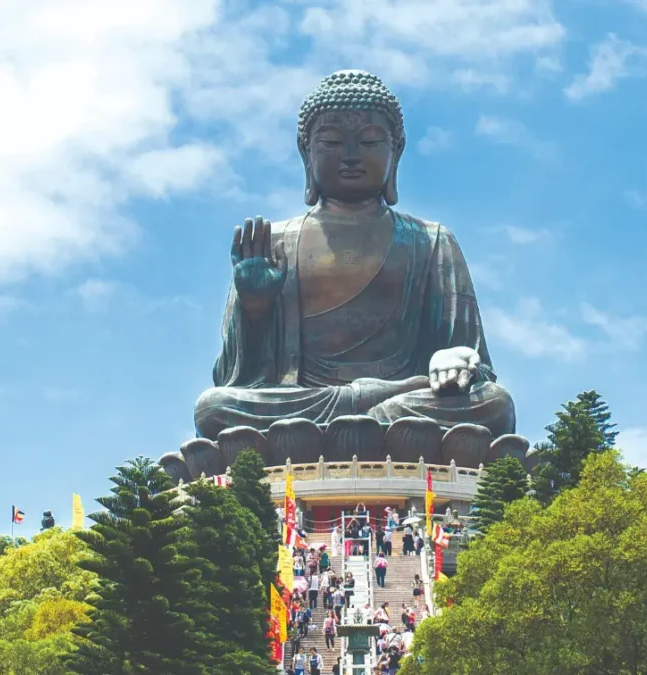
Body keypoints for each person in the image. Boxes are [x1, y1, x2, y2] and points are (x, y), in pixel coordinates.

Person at [192, 69, 516, 444]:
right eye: (330, 142)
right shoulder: (274, 243)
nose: (349, 156)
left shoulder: (431, 241)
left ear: (396, 151)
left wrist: (456, 361)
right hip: (305, 404)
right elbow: (237, 379)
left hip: (403, 398)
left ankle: (359, 426)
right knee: (213, 407)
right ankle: (370, 425)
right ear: (305, 151)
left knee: (494, 404)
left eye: (369, 142)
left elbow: (472, 363)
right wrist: (254, 309)